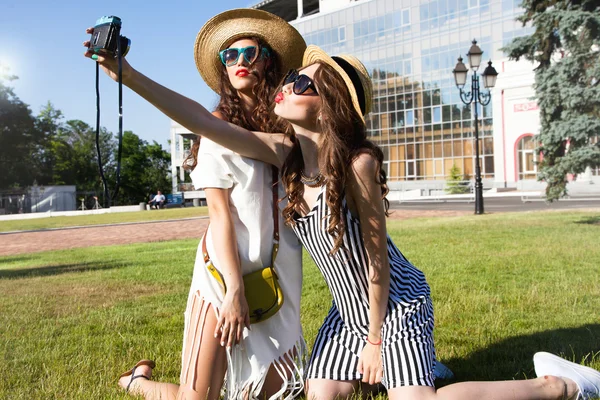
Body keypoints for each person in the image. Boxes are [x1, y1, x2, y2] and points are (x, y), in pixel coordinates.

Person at [86, 18, 600, 400]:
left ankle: (559, 385)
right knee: (319, 395)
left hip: (391, 303)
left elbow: (377, 261)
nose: (286, 86)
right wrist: (125, 74)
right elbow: (204, 119)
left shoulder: (357, 164)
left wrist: (376, 340)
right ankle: (414, 366)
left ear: (328, 102)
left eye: (302, 83)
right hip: (342, 312)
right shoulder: (285, 156)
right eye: (288, 82)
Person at [85, 9, 308, 400]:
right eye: (230, 55)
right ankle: (136, 381)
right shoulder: (215, 131)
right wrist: (129, 76)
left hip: (279, 275)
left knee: (268, 394)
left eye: (250, 53)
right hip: (222, 275)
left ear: (269, 60)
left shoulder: (287, 130)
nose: (240, 62)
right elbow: (220, 218)